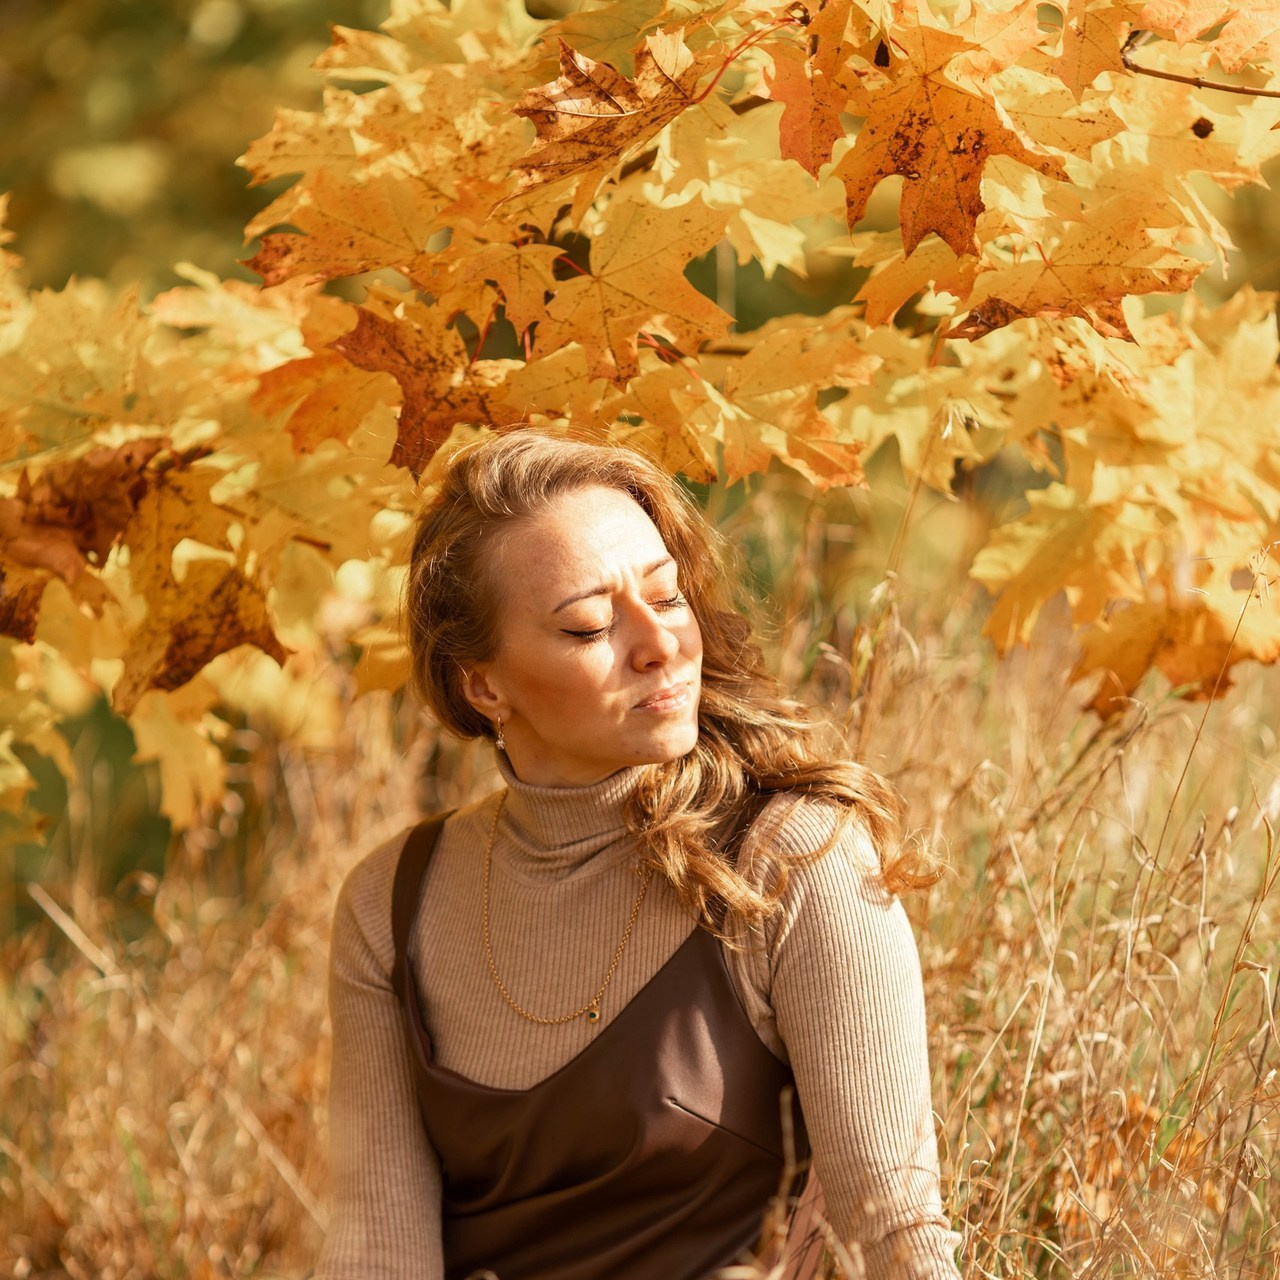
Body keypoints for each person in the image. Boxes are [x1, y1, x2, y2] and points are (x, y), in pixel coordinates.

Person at [313, 429, 963, 1280]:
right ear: (483, 684)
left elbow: (895, 1231)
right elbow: (375, 1246)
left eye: (668, 596)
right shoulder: (389, 904)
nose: (660, 643)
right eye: (588, 626)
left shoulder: (794, 859)